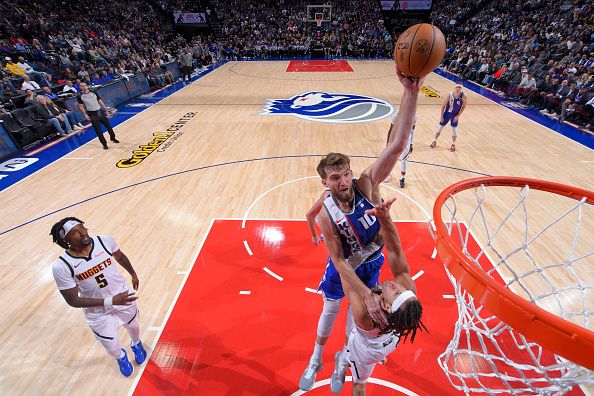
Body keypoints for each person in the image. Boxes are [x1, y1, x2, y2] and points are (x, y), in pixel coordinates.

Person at [299, 68, 424, 391]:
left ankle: (343, 360)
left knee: (358, 321)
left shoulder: (367, 184)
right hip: (345, 268)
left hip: (372, 264)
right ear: (325, 182)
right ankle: (316, 357)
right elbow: (339, 261)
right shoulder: (326, 212)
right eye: (334, 178)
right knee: (330, 308)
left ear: (351, 172)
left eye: (345, 174)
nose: (342, 182)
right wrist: (367, 294)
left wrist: (411, 91)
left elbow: (396, 146)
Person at [330, 198, 425, 394]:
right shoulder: (407, 294)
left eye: (396, 292)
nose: (394, 284)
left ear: (388, 307)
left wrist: (339, 241)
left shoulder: (365, 315)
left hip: (368, 349)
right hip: (391, 338)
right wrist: (386, 217)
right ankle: (345, 356)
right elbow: (395, 250)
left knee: (359, 383)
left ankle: (344, 359)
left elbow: (343, 269)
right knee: (351, 329)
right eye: (401, 290)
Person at [50, 217, 147, 377]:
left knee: (134, 327)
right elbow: (72, 300)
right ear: (65, 239)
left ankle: (136, 344)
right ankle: (120, 356)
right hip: (97, 310)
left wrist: (133, 274)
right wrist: (110, 301)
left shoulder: (104, 241)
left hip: (122, 295)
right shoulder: (62, 266)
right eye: (75, 233)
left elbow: (120, 257)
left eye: (82, 228)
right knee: (112, 346)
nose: (82, 233)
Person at [77, 82, 119, 149]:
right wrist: (85, 114)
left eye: (85, 85)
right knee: (98, 130)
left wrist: (106, 111)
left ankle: (113, 138)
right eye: (82, 86)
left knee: (108, 126)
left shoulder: (93, 92)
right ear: (80, 87)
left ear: (87, 86)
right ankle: (104, 144)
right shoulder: (80, 96)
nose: (84, 87)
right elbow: (81, 106)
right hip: (92, 114)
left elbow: (100, 101)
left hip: (99, 111)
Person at [383, 109, 417, 188]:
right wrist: (388, 143)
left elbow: (413, 131)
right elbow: (390, 130)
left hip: (406, 141)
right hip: (396, 139)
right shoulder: (396, 116)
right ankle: (388, 174)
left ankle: (402, 178)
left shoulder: (414, 117)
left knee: (404, 160)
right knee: (391, 158)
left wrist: (411, 143)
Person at [430, 83, 467, 152]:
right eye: (457, 87)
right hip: (447, 114)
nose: (458, 88)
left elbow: (464, 106)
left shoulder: (463, 96)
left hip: (455, 115)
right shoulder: (450, 95)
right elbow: (443, 106)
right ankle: (434, 140)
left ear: (461, 88)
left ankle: (453, 144)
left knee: (454, 130)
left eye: (459, 87)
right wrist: (441, 116)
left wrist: (458, 116)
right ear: (455, 87)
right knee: (440, 128)